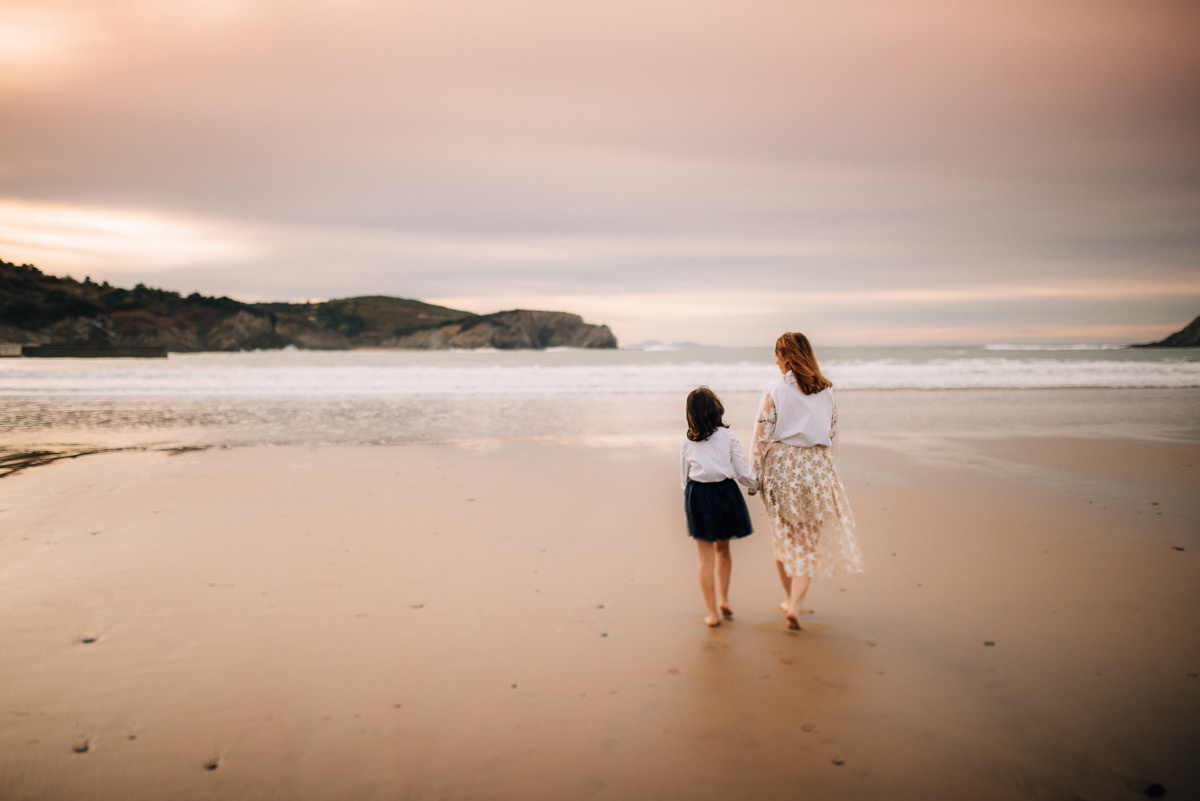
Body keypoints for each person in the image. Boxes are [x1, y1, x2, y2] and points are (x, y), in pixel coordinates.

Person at [750, 332, 863, 630]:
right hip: (814, 467)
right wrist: (825, 468)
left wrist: (754, 475)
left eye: (777, 355)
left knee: (783, 538)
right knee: (808, 543)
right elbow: (833, 433)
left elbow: (761, 435)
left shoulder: (775, 389)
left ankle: (790, 600)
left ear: (786, 357)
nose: (775, 362)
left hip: (782, 468)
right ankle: (795, 604)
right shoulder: (826, 391)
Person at [680, 386, 758, 627]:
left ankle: (712, 613)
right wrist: (754, 485)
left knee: (705, 559)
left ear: (691, 414)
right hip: (725, 493)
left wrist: (691, 497)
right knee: (723, 550)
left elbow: (684, 478)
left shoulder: (686, 440)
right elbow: (742, 470)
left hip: (698, 494)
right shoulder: (727, 436)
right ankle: (724, 598)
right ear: (715, 410)